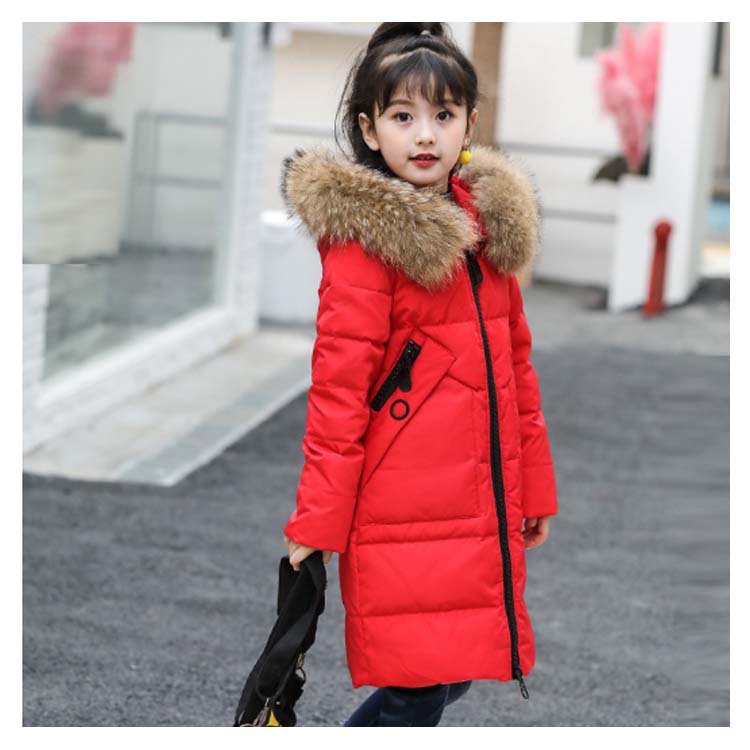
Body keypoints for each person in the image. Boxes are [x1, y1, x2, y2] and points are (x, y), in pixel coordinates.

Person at [280, 21, 558, 727]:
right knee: (418, 686)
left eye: (443, 114)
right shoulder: (366, 246)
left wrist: (534, 485)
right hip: (398, 505)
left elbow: (516, 370)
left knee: (456, 672)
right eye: (403, 116)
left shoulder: (484, 230)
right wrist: (318, 522)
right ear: (369, 130)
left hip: (479, 499)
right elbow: (338, 397)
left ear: (469, 124)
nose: (425, 134)